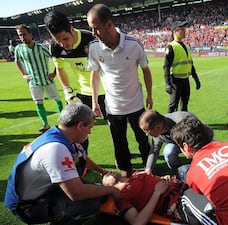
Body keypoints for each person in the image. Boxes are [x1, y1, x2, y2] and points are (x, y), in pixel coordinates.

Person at [4, 103, 119, 225]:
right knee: (90, 203)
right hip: (27, 206)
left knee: (98, 193)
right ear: (80, 126)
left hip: (43, 191)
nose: (89, 132)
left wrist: (103, 172)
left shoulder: (59, 135)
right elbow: (77, 194)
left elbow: (81, 156)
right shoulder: (55, 149)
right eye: (89, 128)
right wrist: (111, 189)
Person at [86, 4, 152, 177]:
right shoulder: (94, 47)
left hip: (136, 104)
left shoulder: (134, 44)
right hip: (113, 107)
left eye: (96, 28)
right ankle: (126, 170)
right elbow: (94, 74)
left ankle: (148, 168)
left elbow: (145, 70)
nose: (93, 33)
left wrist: (150, 95)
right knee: (119, 142)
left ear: (108, 24)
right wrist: (94, 101)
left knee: (143, 139)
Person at [44, 10, 107, 152]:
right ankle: (81, 160)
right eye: (57, 40)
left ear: (72, 29)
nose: (62, 44)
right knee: (78, 131)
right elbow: (60, 69)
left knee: (115, 126)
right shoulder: (55, 48)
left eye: (65, 39)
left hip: (106, 90)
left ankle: (122, 159)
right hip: (83, 93)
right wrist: (67, 91)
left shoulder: (91, 39)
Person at [102, 171, 216, 225]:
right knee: (211, 212)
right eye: (105, 176)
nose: (107, 173)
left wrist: (163, 178)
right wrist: (156, 193)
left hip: (182, 186)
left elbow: (154, 181)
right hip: (178, 199)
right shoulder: (122, 197)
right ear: (108, 188)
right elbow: (137, 222)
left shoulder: (135, 175)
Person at [14, 24, 63, 133]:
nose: (22, 37)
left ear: (30, 34)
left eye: (24, 34)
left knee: (57, 99)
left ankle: (63, 121)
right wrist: (24, 75)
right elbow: (17, 61)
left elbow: (56, 59)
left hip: (47, 79)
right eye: (20, 35)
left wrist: (54, 73)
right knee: (38, 103)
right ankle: (45, 124)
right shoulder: (19, 49)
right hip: (33, 81)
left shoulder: (42, 47)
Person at [139, 110, 196, 177]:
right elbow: (154, 151)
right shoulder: (158, 131)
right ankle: (178, 174)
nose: (146, 135)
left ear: (158, 127)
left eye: (147, 132)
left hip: (199, 140)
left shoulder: (182, 122)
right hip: (180, 143)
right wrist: (148, 169)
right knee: (168, 152)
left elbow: (197, 142)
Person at [163, 20, 201, 113]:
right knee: (173, 104)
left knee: (185, 103)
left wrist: (196, 79)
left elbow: (190, 64)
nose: (185, 31)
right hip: (175, 80)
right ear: (175, 31)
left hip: (185, 80)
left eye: (184, 29)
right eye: (182, 29)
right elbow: (166, 66)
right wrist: (167, 83)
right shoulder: (171, 47)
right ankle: (169, 123)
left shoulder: (186, 46)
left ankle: (183, 122)